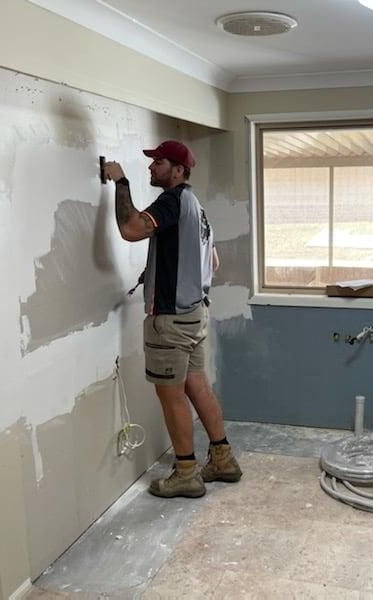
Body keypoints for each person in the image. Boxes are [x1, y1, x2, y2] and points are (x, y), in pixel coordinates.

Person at [104, 140, 241, 498]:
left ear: (178, 170)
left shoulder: (172, 201)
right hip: (196, 315)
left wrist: (121, 183)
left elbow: (132, 230)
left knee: (171, 396)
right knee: (198, 385)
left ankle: (186, 473)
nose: (151, 168)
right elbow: (213, 262)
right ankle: (223, 458)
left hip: (170, 320)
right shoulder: (198, 209)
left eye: (158, 163)